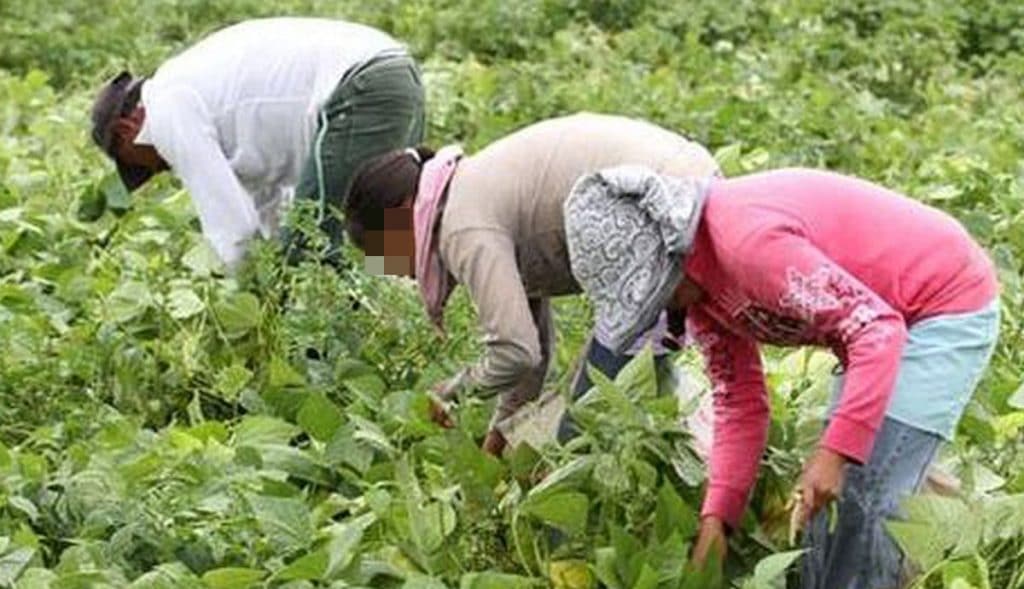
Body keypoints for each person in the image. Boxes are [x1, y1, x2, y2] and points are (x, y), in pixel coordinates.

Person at [563, 166, 999, 588]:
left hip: (941, 305)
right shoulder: (700, 298)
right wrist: (717, 524)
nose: (660, 308)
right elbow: (741, 402)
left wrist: (834, 454)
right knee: (816, 508)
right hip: (874, 331)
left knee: (866, 495)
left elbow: (876, 329)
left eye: (654, 292)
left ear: (669, 259)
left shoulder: (746, 246)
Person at [343, 113, 720, 455]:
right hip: (690, 194)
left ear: (400, 216)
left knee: (582, 426)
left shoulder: (461, 225)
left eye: (381, 252)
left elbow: (516, 351)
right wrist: (498, 443)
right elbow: (529, 351)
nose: (389, 269)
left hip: (663, 213)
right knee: (635, 388)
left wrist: (453, 393)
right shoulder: (470, 191)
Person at [90, 17, 425, 270]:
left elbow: (233, 230)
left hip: (360, 88)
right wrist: (269, 264)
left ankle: (332, 355)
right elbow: (265, 211)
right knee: (385, 240)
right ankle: (407, 333)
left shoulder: (166, 108)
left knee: (309, 251)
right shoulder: (200, 95)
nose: (155, 170)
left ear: (126, 129)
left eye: (137, 163)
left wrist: (250, 313)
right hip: (392, 74)